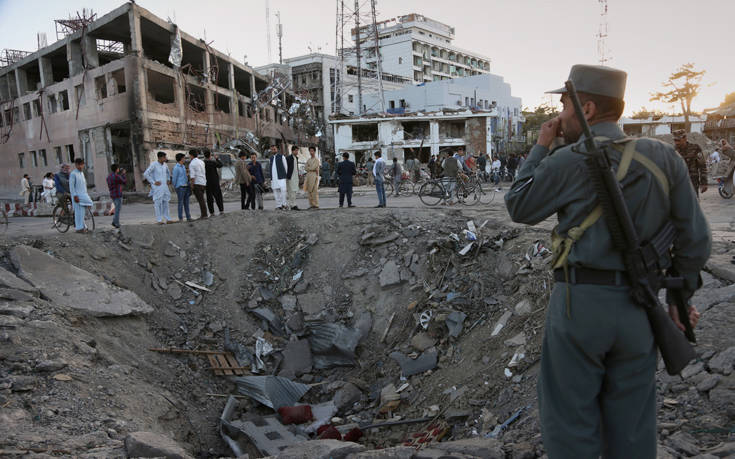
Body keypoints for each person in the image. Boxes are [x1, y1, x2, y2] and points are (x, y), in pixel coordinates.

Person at [505, 64, 710, 459]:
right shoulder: (663, 158)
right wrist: (678, 299)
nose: (559, 116)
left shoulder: (567, 159)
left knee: (570, 424)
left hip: (579, 304)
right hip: (640, 306)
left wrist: (540, 147)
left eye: (564, 105)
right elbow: (695, 238)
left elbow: (519, 205)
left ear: (588, 107)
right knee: (633, 429)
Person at [673, 129, 707, 196]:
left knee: (693, 204)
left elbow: (702, 166)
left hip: (692, 182)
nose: (677, 143)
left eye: (678, 140)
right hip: (678, 183)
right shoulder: (673, 150)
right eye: (675, 140)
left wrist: (704, 183)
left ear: (685, 138)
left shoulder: (695, 148)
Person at [143, 151, 172, 224]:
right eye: (164, 157)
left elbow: (168, 173)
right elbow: (146, 174)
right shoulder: (154, 165)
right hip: (157, 187)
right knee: (157, 203)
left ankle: (168, 218)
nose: (165, 159)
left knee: (166, 202)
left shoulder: (165, 165)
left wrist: (168, 179)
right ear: (160, 158)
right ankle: (159, 220)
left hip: (165, 187)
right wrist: (153, 182)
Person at [69, 158, 93, 233]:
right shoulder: (73, 174)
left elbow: (83, 185)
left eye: (81, 164)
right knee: (79, 212)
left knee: (88, 206)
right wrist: (75, 196)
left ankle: (83, 226)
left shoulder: (82, 173)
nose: (80, 166)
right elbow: (71, 186)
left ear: (83, 165)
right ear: (76, 165)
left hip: (83, 194)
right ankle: (79, 228)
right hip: (77, 196)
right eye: (78, 165)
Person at [172, 153, 192, 222]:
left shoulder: (183, 166)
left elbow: (185, 176)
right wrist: (175, 186)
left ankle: (188, 217)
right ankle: (180, 218)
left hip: (186, 186)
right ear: (181, 159)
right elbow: (174, 179)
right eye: (184, 158)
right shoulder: (176, 168)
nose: (184, 159)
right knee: (180, 203)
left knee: (186, 203)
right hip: (180, 187)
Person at [203, 149, 224, 215]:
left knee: (209, 198)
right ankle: (221, 210)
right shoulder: (213, 162)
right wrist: (217, 159)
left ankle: (212, 212)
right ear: (210, 155)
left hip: (207, 182)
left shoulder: (203, 163)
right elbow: (220, 165)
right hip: (215, 182)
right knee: (218, 197)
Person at [188, 149, 208, 219]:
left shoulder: (192, 164)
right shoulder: (201, 162)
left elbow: (192, 176)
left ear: (191, 155)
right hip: (203, 182)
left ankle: (204, 214)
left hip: (197, 183)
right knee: (202, 199)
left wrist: (191, 185)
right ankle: (204, 214)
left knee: (201, 200)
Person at [106, 164, 127, 228]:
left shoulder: (109, 176)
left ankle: (114, 221)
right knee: (118, 209)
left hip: (112, 194)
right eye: (118, 168)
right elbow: (124, 182)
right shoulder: (116, 176)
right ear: (117, 169)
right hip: (118, 194)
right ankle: (116, 223)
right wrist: (123, 174)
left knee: (116, 208)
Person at [269, 144, 288, 209]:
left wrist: (285, 176)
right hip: (274, 178)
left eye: (274, 149)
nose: (273, 150)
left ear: (277, 149)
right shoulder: (271, 158)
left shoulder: (281, 156)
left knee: (283, 191)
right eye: (272, 149)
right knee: (276, 192)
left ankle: (284, 204)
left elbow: (286, 167)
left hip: (281, 177)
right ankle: (278, 205)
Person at [286, 145, 300, 210]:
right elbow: (286, 168)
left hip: (295, 176)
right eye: (296, 150)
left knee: (294, 190)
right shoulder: (288, 158)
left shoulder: (296, 158)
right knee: (290, 191)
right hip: (290, 177)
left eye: (297, 150)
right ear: (292, 151)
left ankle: (294, 204)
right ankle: (292, 205)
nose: (297, 152)